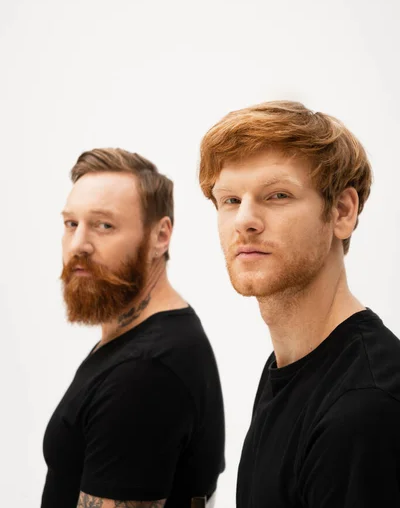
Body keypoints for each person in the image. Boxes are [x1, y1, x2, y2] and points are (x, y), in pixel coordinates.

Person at [199, 101, 400, 507]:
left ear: (342, 212)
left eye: (277, 195)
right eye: (231, 200)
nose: (245, 221)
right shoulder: (288, 367)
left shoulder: (364, 409)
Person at [41, 148, 225, 508]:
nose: (79, 244)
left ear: (161, 236)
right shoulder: (147, 342)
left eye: (103, 225)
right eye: (70, 224)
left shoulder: (144, 373)